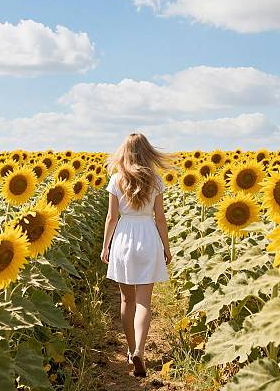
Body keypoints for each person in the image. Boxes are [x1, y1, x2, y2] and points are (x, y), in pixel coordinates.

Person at [100, 133, 174, 378]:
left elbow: (111, 218)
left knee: (126, 301)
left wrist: (105, 246)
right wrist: (166, 246)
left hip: (123, 238)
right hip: (148, 237)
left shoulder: (116, 179)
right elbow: (160, 218)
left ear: (124, 152)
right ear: (147, 152)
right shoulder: (155, 181)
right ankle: (141, 350)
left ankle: (131, 349)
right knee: (144, 302)